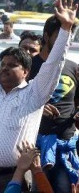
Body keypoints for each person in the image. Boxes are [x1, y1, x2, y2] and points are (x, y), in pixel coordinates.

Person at [0, 0, 77, 192]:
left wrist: (66, 30)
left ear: (25, 71)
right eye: (3, 64)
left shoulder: (34, 94)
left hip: (18, 177)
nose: (4, 68)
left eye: (12, 65)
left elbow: (53, 65)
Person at [28, 16, 78, 192]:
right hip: (38, 145)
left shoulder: (73, 67)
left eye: (70, 35)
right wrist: (38, 108)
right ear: (46, 36)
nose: (66, 40)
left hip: (66, 143)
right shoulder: (30, 66)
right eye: (61, 35)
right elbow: (16, 101)